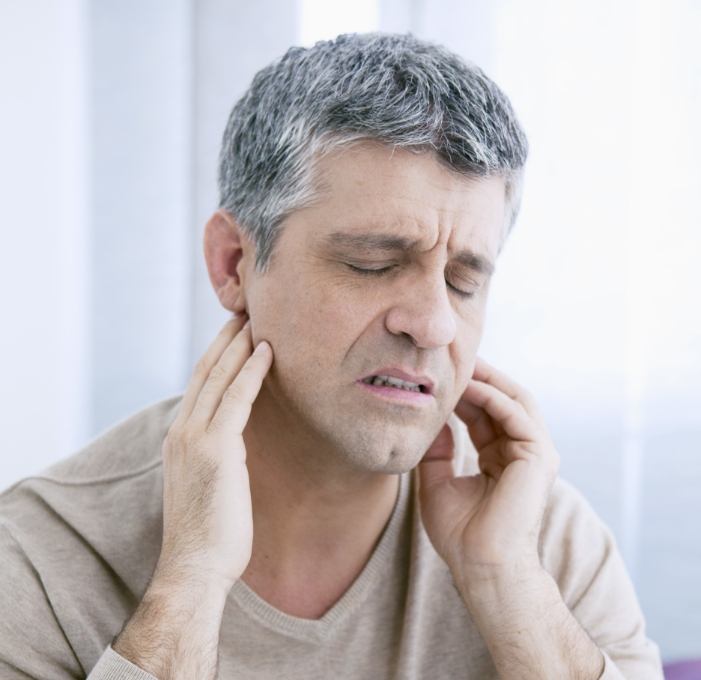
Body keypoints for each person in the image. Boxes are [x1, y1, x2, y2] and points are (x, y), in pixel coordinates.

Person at [0, 33, 663, 679]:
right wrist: (191, 581)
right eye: (370, 263)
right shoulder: (38, 561)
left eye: (465, 280)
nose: (432, 324)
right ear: (234, 264)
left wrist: (504, 580)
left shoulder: (543, 541)